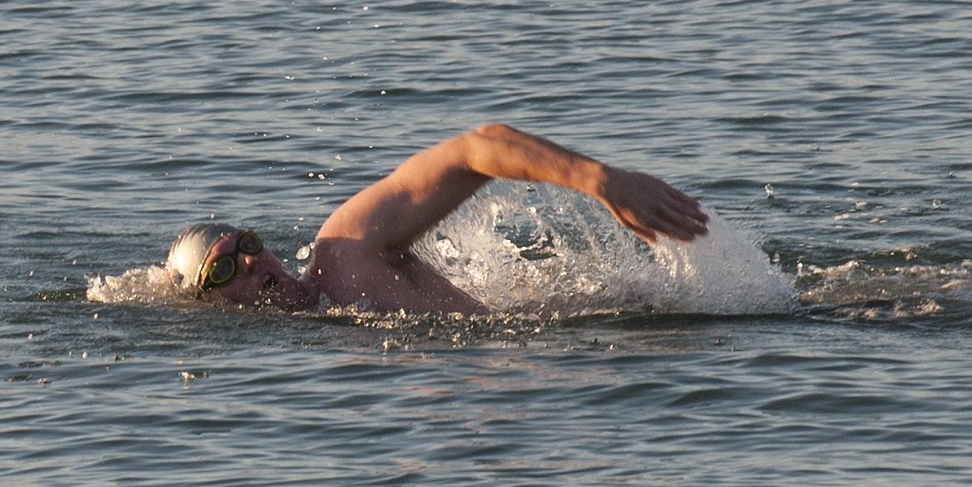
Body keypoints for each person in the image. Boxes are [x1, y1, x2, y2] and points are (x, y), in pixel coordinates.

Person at [164, 123, 709, 314]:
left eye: (248, 243)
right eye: (225, 270)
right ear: (209, 304)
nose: (254, 260)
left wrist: (599, 180)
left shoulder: (343, 251)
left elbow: (476, 148)